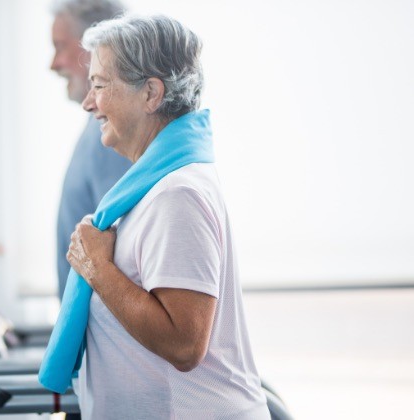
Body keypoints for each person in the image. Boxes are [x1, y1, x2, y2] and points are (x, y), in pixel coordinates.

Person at [65, 14, 271, 419]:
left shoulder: (178, 194)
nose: (89, 102)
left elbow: (184, 343)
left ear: (151, 94)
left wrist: (97, 269)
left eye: (100, 85)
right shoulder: (156, 187)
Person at [50, 0, 132, 300]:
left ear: (93, 47)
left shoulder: (115, 138)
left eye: (60, 47)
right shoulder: (97, 128)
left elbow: (124, 258)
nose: (53, 64)